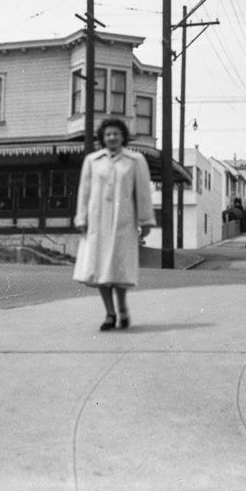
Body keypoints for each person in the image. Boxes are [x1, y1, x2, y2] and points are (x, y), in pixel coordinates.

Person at [73, 118, 155, 331]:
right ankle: (110, 313)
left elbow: (143, 193)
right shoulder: (92, 160)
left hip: (123, 221)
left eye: (116, 134)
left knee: (119, 267)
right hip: (97, 222)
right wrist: (81, 218)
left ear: (123, 136)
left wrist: (145, 221)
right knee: (99, 269)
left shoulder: (135, 160)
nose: (112, 138)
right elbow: (84, 191)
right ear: (102, 138)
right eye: (108, 134)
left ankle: (122, 307)